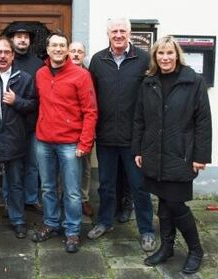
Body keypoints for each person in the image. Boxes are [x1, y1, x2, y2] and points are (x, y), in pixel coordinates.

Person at [132, 36, 212, 274]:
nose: (165, 58)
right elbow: (139, 118)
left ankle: (196, 250)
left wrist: (201, 156)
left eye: (169, 53)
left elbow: (203, 122)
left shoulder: (193, 81)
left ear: (177, 54)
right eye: (160, 54)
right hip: (153, 153)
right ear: (155, 57)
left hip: (181, 154)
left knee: (176, 203)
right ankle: (167, 247)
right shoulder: (148, 82)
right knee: (163, 202)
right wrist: (138, 149)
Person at [87, 18, 156, 252]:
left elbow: (151, 96)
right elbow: (91, 97)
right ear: (107, 33)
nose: (118, 34)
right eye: (114, 31)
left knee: (139, 186)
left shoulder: (143, 59)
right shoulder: (98, 60)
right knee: (106, 185)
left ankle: (147, 230)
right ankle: (104, 222)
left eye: (122, 31)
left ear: (129, 33)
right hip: (105, 135)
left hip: (134, 136)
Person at [32, 33, 98, 253]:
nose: (58, 49)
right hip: (44, 141)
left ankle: (72, 231)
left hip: (70, 143)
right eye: (54, 45)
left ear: (68, 50)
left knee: (72, 191)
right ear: (48, 49)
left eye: (62, 45)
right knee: (48, 187)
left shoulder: (80, 75)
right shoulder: (40, 74)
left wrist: (84, 143)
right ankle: (51, 223)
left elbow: (90, 111)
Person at [0, 36, 37, 239]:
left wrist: (16, 101)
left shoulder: (25, 78)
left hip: (14, 138)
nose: (2, 56)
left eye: (6, 53)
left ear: (13, 56)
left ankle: (18, 220)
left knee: (15, 183)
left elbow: (34, 106)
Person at [5, 22, 44, 215]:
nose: (22, 39)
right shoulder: (5, 61)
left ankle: (31, 198)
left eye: (26, 37)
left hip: (32, 124)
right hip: (10, 125)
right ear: (12, 40)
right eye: (18, 36)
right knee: (11, 165)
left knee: (32, 165)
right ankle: (9, 199)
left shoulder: (38, 64)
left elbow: (40, 96)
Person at [68, 41, 93, 217]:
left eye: (80, 52)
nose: (76, 54)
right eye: (73, 51)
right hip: (66, 131)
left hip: (86, 129)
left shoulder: (89, 75)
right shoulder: (60, 72)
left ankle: (83, 199)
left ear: (84, 55)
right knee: (65, 168)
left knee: (85, 167)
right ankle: (65, 198)